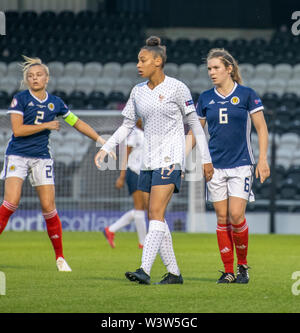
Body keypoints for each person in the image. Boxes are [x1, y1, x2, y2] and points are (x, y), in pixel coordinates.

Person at [95, 36, 213, 285]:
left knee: (155, 212)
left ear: (157, 61)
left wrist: (205, 159)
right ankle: (174, 274)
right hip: (148, 161)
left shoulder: (177, 88)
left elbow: (194, 124)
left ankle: (144, 269)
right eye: (138, 60)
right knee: (155, 216)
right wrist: (105, 147)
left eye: (143, 60)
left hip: (171, 158)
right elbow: (127, 124)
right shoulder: (137, 92)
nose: (138, 64)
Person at [0, 56, 115, 272]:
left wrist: (100, 140)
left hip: (42, 157)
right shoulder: (20, 99)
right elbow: (18, 130)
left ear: (47, 78)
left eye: (39, 75)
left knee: (48, 207)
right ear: (27, 80)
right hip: (17, 155)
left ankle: (60, 258)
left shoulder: (56, 103)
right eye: (31, 76)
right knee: (11, 202)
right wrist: (46, 125)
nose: (35, 78)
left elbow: (77, 123)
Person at [189, 48, 270, 284]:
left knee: (236, 215)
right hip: (215, 167)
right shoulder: (205, 98)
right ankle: (228, 271)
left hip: (241, 164)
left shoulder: (246, 95)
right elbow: (196, 133)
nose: (212, 73)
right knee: (222, 218)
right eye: (209, 69)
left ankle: (242, 265)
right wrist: (178, 155)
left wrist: (262, 159)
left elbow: (262, 129)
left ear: (229, 69)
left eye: (216, 68)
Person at [103, 118, 147, 249]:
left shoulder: (144, 132)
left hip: (141, 172)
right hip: (133, 172)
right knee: (140, 207)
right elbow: (125, 154)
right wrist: (122, 176)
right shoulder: (134, 132)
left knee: (142, 208)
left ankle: (110, 230)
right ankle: (143, 243)